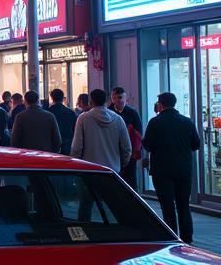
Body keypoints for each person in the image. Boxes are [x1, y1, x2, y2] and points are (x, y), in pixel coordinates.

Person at [142, 92, 200, 243]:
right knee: (183, 206)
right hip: (183, 170)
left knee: (168, 207)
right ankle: (187, 238)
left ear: (160, 105)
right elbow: (196, 144)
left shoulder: (155, 122)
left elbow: (147, 145)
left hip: (162, 171)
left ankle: (172, 237)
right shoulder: (187, 122)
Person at [70, 88, 131, 174]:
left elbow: (77, 147)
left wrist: (76, 164)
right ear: (106, 100)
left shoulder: (83, 119)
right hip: (113, 170)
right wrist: (121, 163)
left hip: (89, 169)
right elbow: (126, 147)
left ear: (90, 101)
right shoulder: (118, 119)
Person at [111, 86, 143, 189]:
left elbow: (139, 133)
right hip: (113, 152)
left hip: (130, 151)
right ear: (112, 98)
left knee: (130, 179)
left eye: (120, 98)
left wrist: (137, 151)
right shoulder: (108, 112)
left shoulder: (132, 113)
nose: (118, 100)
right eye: (115, 98)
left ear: (126, 98)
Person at [48, 88, 77, 155]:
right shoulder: (70, 112)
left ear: (52, 98)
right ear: (63, 98)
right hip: (68, 144)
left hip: (53, 146)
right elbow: (75, 128)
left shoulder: (48, 112)